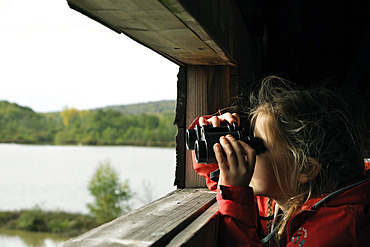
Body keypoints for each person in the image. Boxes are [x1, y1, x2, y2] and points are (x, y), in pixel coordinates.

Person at [189, 76, 370, 246]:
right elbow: (223, 184)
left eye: (257, 145)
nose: (246, 151)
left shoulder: (335, 231)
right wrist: (211, 133)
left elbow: (235, 200)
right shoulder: (284, 195)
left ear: (305, 168)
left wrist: (235, 195)